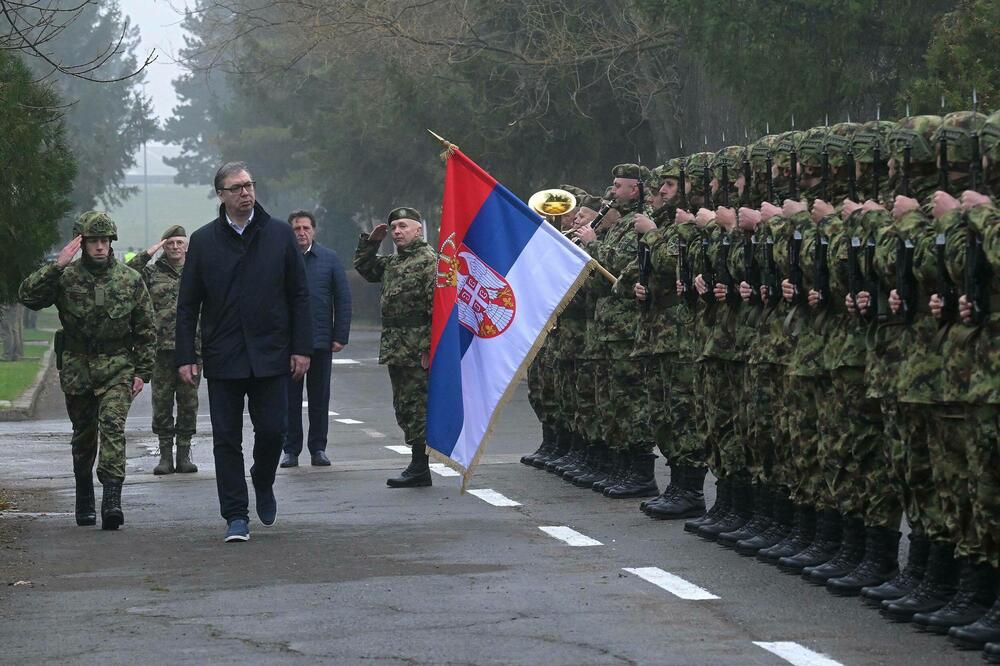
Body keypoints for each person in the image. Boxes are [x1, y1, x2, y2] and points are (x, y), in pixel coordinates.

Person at [176, 162, 312, 543]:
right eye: (236, 188)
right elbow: (188, 305)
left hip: (272, 353)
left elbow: (299, 295)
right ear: (221, 194)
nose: (245, 192)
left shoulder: (280, 235)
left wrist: (302, 348)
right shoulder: (204, 241)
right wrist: (185, 356)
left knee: (274, 430)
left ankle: (263, 478)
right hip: (224, 355)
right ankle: (236, 515)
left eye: (249, 185)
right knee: (226, 439)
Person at [18, 212, 156, 530]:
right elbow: (28, 297)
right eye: (93, 241)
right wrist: (56, 266)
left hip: (117, 367)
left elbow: (146, 330)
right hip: (78, 368)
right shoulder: (66, 277)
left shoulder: (129, 279)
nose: (100, 247)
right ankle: (84, 494)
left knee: (113, 428)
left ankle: (112, 498)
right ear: (82, 243)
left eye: (104, 241)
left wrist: (142, 372)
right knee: (84, 435)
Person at [354, 207, 436, 488]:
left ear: (418, 230)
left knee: (418, 406)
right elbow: (365, 268)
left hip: (417, 348)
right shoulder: (394, 262)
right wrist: (372, 242)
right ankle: (418, 464)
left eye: (403, 226)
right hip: (397, 346)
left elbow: (438, 309)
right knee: (404, 405)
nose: (397, 232)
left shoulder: (429, 261)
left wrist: (430, 347)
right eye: (394, 228)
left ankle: (420, 466)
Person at [281, 210, 352, 468]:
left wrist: (340, 335)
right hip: (288, 343)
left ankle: (318, 448)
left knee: (319, 398)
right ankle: (290, 450)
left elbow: (342, 299)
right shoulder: (281, 258)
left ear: (314, 231)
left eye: (306, 228)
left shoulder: (329, 259)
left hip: (321, 340)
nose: (301, 233)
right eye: (296, 228)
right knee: (289, 400)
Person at [127, 225, 200, 476]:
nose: (175, 247)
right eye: (170, 243)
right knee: (162, 402)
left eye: (179, 242)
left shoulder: (197, 270)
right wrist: (148, 253)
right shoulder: (152, 272)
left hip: (190, 348)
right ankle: (165, 455)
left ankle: (184, 453)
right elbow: (126, 275)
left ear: (187, 246)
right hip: (160, 349)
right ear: (163, 246)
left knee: (188, 402)